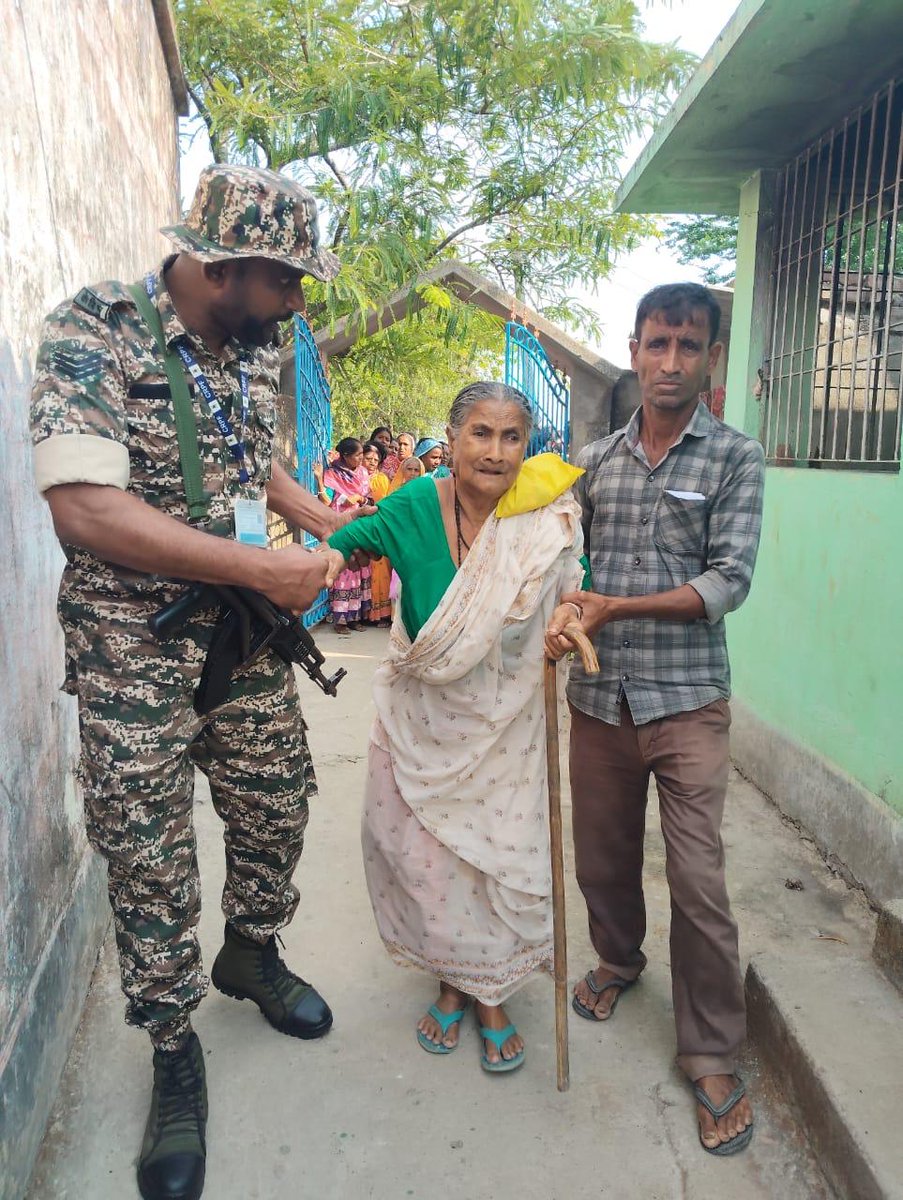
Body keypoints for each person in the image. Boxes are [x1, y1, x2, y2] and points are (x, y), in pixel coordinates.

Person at [29, 164, 349, 1200]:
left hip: (241, 643)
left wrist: (334, 525)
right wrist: (262, 567)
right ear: (226, 265)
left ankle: (251, 954)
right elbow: (83, 508)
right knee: (150, 854)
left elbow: (257, 467)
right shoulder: (97, 328)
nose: (300, 302)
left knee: (277, 804)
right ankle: (172, 1050)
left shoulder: (255, 349)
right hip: (132, 653)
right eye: (288, 281)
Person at [545, 282, 765, 1158]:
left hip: (685, 704)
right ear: (632, 350)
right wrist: (561, 612)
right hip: (599, 700)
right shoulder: (592, 460)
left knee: (699, 882)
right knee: (600, 857)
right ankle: (618, 962)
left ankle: (709, 1050)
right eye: (655, 343)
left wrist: (614, 608)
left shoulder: (735, 459)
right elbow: (561, 558)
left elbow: (727, 583)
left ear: (711, 356)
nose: (670, 362)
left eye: (688, 345)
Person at [320, 383, 585, 1073]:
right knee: (425, 858)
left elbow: (570, 590)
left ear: (525, 447)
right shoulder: (412, 504)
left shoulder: (543, 512)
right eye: (480, 433)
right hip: (421, 718)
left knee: (492, 855)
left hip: (505, 723)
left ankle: (489, 992)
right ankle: (450, 979)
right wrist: (310, 563)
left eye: (510, 437)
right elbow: (348, 543)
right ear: (453, 435)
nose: (494, 452)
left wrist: (567, 621)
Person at [322, 437, 372, 633]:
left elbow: (366, 494)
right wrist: (349, 499)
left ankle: (355, 617)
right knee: (343, 570)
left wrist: (361, 499)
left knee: (358, 569)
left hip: (359, 522)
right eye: (357, 455)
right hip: (341, 524)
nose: (361, 459)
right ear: (345, 456)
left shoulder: (362, 472)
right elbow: (331, 496)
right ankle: (341, 619)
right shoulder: (333, 474)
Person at [361, 441, 392, 625]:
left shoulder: (382, 479)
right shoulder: (356, 477)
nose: (372, 462)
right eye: (368, 458)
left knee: (380, 568)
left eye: (375, 459)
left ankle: (381, 613)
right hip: (359, 524)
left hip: (377, 525)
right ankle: (364, 614)